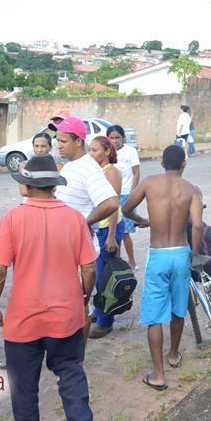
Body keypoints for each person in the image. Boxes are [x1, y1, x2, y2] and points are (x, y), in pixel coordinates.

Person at [0, 154, 96, 421]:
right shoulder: (74, 218)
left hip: (23, 321)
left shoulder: (13, 218)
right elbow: (90, 269)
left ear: (26, 185)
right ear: (54, 185)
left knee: (23, 393)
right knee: (71, 375)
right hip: (66, 318)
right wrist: (83, 300)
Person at [122, 145, 203, 391]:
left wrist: (141, 220)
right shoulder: (192, 189)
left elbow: (125, 208)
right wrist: (195, 254)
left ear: (161, 163)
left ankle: (158, 375)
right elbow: (197, 225)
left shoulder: (148, 183)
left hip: (158, 255)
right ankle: (174, 354)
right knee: (179, 307)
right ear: (184, 164)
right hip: (180, 253)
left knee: (155, 315)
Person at [50, 117, 119, 338]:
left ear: (78, 141)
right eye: (57, 140)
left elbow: (111, 203)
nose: (58, 144)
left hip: (76, 249)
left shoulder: (89, 169)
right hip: (61, 246)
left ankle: (76, 359)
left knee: (79, 305)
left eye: (63, 141)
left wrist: (84, 222)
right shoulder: (72, 166)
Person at [87, 136, 125, 338]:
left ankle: (105, 321)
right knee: (97, 274)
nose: (91, 154)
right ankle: (98, 311)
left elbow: (113, 205)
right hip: (99, 228)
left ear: (107, 151)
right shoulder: (98, 172)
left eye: (95, 150)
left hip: (109, 229)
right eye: (90, 150)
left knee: (105, 277)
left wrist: (111, 236)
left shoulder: (112, 173)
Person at [108, 125, 141, 271]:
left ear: (123, 138)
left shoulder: (130, 151)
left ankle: (132, 261)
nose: (114, 141)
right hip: (111, 195)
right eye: (112, 138)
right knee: (113, 230)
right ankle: (117, 261)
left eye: (117, 138)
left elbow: (136, 173)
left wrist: (133, 193)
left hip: (127, 194)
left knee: (126, 232)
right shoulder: (107, 152)